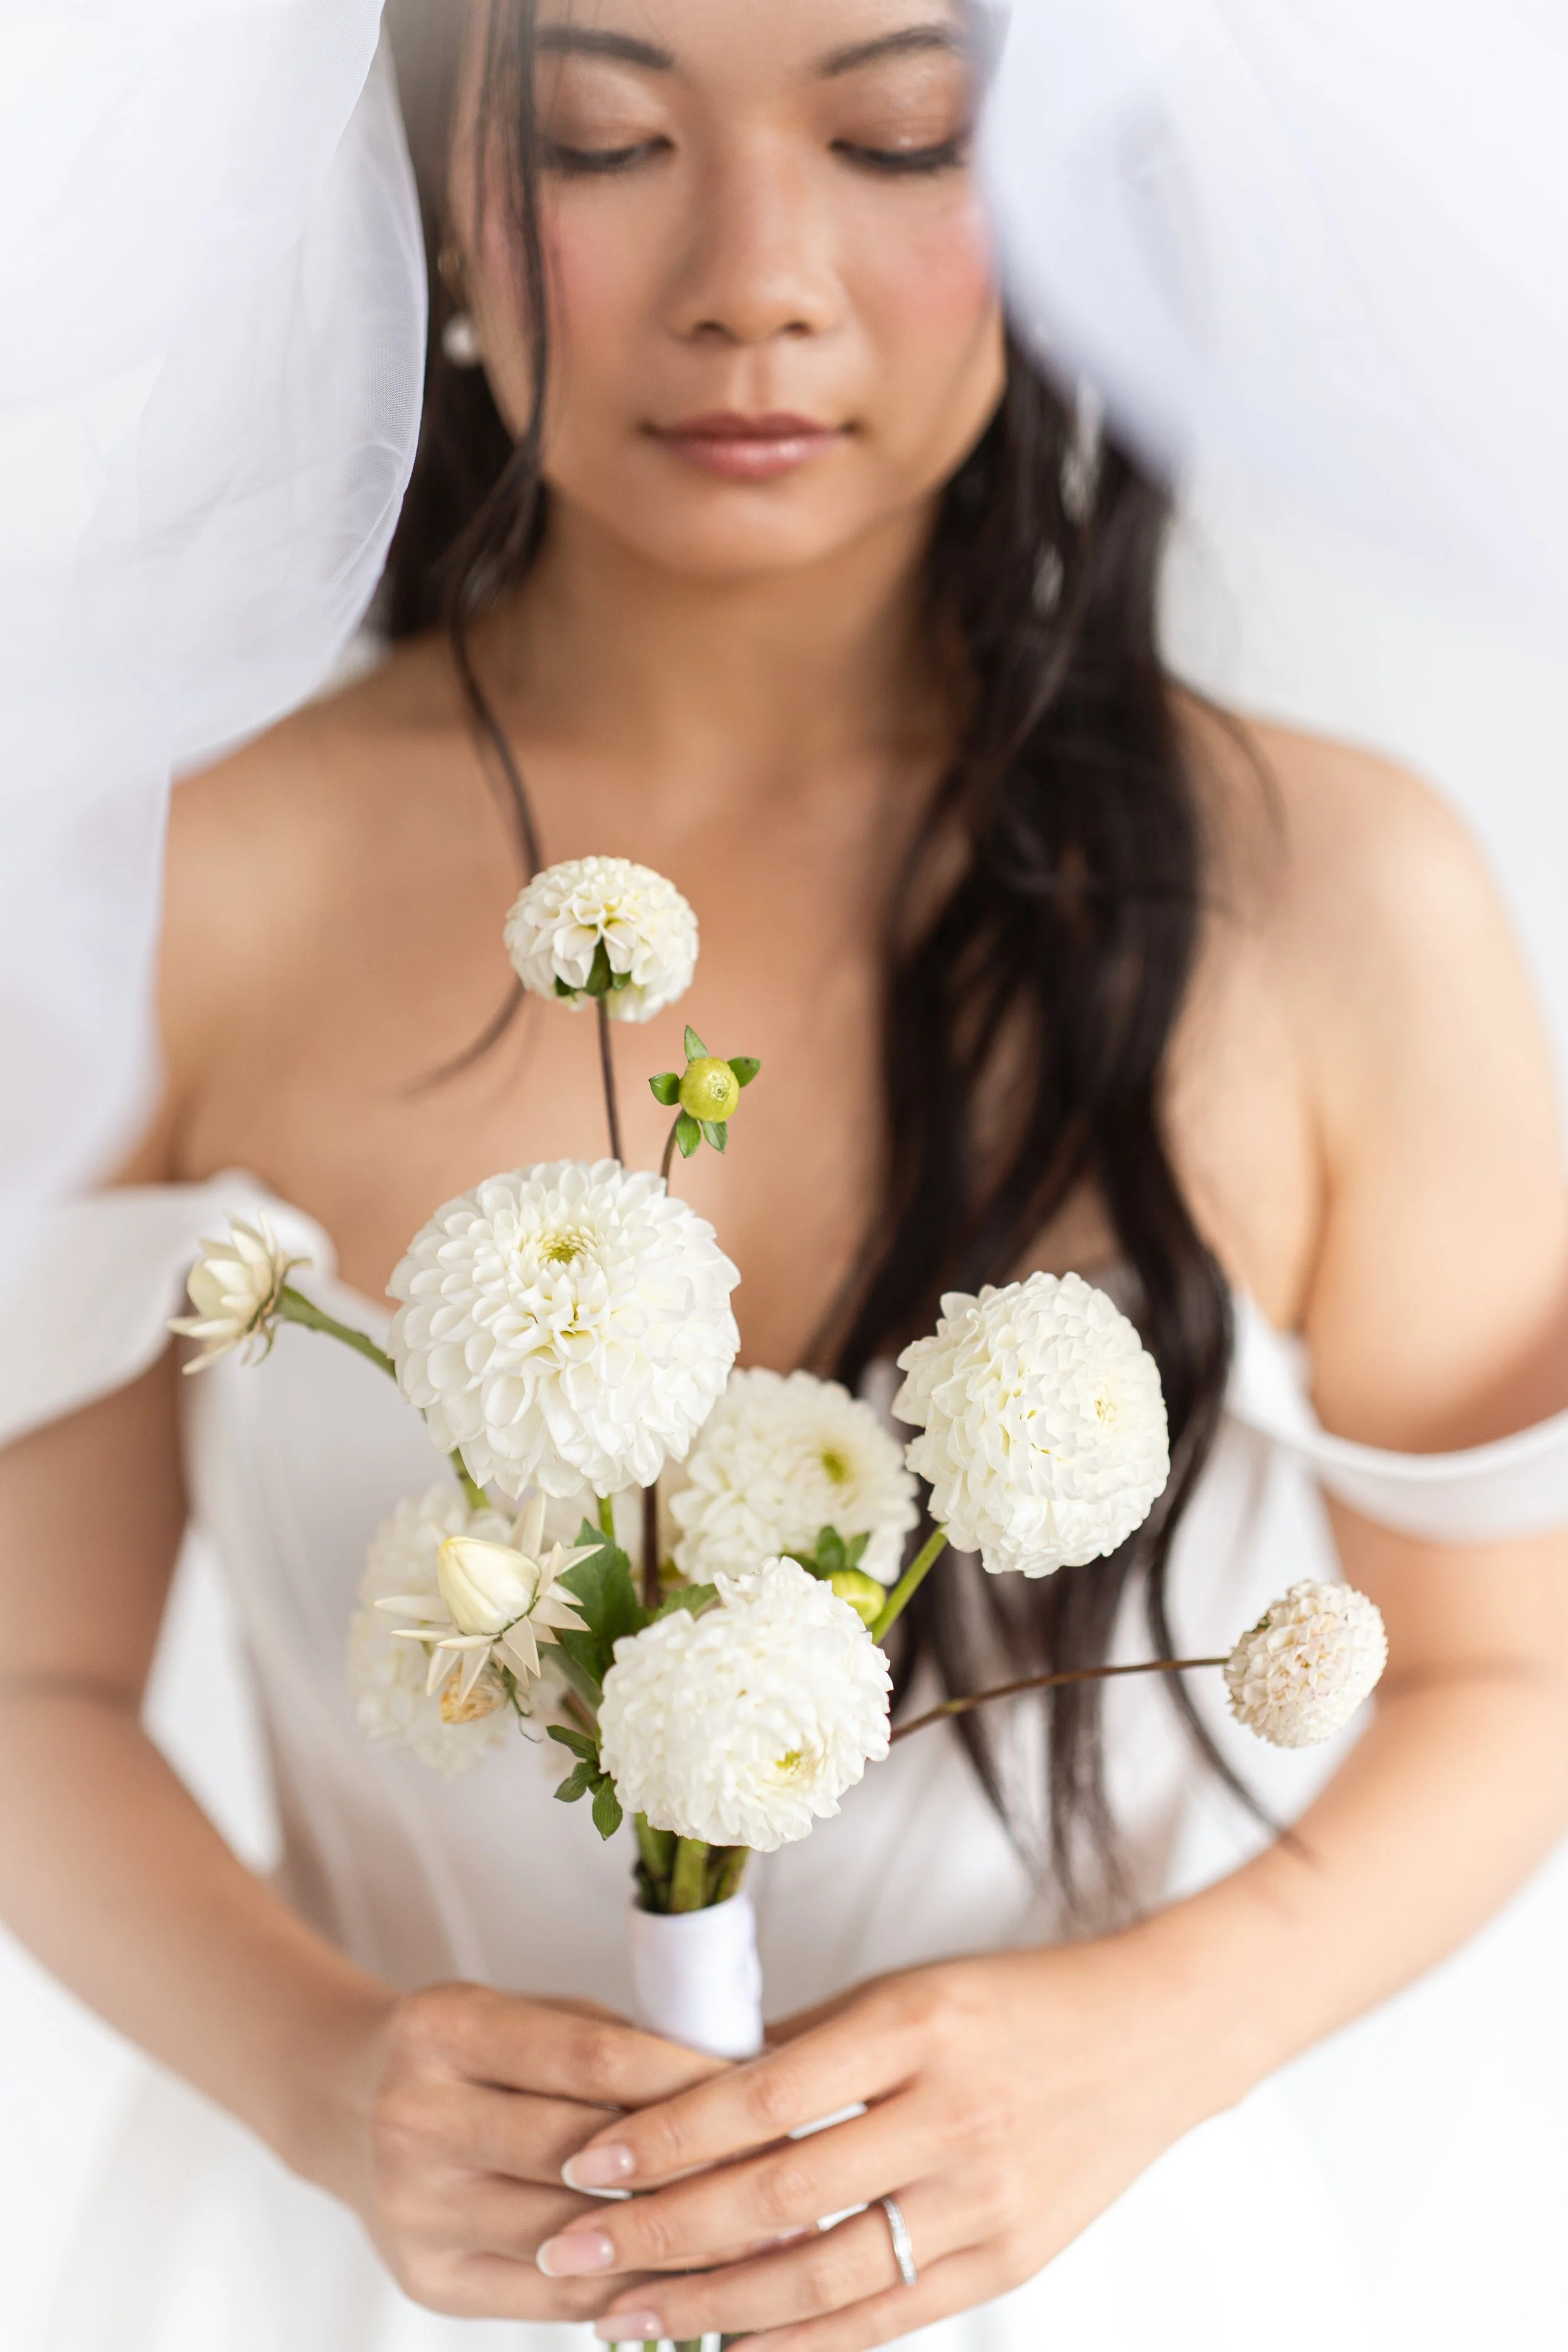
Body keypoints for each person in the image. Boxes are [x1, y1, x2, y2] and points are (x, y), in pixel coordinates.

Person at [2, 3, 1567, 2346]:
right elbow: (31, 1674)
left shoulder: (1334, 895)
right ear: (434, 185)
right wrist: (334, 2085)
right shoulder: (169, 885)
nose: (756, 275)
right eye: (608, 142)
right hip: (354, 2285)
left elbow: (1509, 1664)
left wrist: (1140, 2045)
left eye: (898, 135)